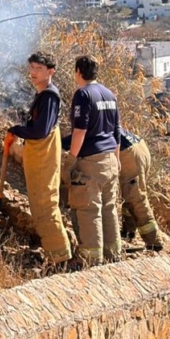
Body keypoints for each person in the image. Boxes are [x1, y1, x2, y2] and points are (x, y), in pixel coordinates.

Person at [5, 52, 72, 267]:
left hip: (44, 158)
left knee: (45, 205)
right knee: (41, 205)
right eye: (32, 67)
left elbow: (40, 130)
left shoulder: (49, 97)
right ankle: (56, 254)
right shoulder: (42, 94)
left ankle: (60, 259)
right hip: (41, 157)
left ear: (51, 71)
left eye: (39, 69)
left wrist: (17, 130)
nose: (33, 72)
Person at [63, 127, 165, 252]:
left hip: (129, 154)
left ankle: (154, 242)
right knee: (129, 196)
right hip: (138, 146)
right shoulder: (102, 120)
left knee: (136, 198)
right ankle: (129, 232)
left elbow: (77, 139)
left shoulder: (87, 127)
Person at [64, 55, 122, 267]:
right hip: (110, 159)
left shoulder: (83, 94)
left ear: (78, 71)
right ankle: (113, 255)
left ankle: (91, 260)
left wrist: (71, 159)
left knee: (89, 210)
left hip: (90, 162)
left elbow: (80, 131)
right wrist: (117, 159)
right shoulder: (109, 94)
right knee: (109, 208)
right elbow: (117, 131)